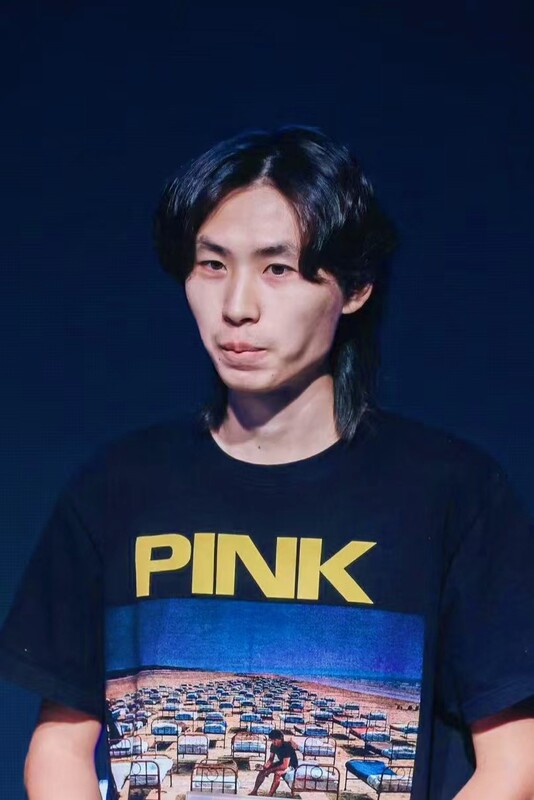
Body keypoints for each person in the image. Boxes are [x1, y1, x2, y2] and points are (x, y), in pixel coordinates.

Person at [0, 125, 533, 800]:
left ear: (356, 287)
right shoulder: (117, 488)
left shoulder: (452, 491)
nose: (237, 307)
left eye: (278, 269)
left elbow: (517, 760)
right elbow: (59, 748)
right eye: (212, 265)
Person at [250, 729, 299, 796]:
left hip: (291, 766)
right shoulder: (273, 746)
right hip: (282, 762)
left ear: (280, 739)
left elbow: (285, 766)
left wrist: (270, 770)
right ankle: (254, 791)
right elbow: (271, 759)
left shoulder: (287, 747)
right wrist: (265, 767)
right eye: (272, 740)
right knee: (262, 771)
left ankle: (270, 795)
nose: (273, 742)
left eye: (275, 740)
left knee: (277, 773)